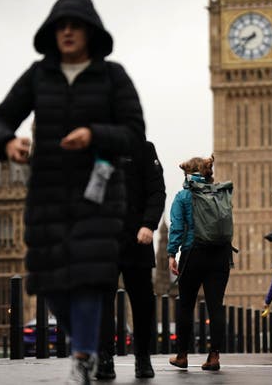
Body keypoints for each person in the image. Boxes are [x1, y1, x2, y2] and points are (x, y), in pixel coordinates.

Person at [0, 0, 145, 384]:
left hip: (99, 194)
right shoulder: (39, 75)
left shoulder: (113, 76)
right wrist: (7, 142)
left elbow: (134, 135)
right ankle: (83, 341)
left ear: (90, 32)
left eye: (75, 25)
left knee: (90, 278)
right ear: (52, 33)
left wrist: (94, 134)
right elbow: (1, 118)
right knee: (49, 282)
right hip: (48, 192)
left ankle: (83, 357)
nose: (68, 32)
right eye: (61, 26)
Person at [96, 141, 165, 379]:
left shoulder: (144, 150)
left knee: (143, 304)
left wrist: (149, 224)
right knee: (102, 303)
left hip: (138, 240)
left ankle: (142, 357)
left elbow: (157, 191)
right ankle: (104, 358)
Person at [168, 155, 233, 371]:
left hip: (193, 253)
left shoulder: (183, 196)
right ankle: (214, 356)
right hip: (221, 254)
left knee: (186, 305)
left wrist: (171, 254)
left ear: (188, 173)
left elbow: (176, 228)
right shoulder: (219, 192)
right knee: (216, 306)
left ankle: (182, 355)